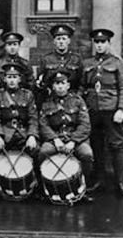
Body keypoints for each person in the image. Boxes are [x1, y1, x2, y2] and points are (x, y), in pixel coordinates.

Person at [82, 29, 123, 197]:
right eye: (97, 42)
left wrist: (121, 109)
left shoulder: (117, 62)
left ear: (109, 43)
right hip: (92, 110)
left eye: (103, 42)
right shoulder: (88, 62)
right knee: (96, 146)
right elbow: (83, 87)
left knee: (116, 145)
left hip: (111, 109)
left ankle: (120, 183)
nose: (100, 45)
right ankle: (99, 181)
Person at [38, 70, 94, 203]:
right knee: (43, 152)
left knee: (87, 154)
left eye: (63, 83)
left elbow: (85, 125)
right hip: (55, 138)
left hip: (75, 139)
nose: (60, 87)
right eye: (57, 84)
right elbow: (43, 125)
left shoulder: (77, 101)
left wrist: (73, 141)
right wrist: (55, 139)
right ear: (52, 87)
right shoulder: (47, 104)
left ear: (68, 85)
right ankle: (46, 189)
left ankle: (81, 188)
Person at [0, 62, 39, 158]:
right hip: (6, 133)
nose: (12, 80)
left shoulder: (27, 95)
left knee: (36, 148)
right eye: (9, 77)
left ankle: (33, 173)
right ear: (4, 79)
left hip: (23, 133)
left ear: (19, 79)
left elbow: (33, 118)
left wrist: (32, 135)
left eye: (14, 77)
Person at [36, 24, 83, 107]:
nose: (61, 41)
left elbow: (81, 82)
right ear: (54, 41)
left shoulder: (76, 59)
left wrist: (76, 97)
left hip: (71, 101)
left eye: (64, 39)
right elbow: (40, 82)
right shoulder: (46, 59)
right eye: (58, 39)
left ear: (69, 41)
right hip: (51, 100)